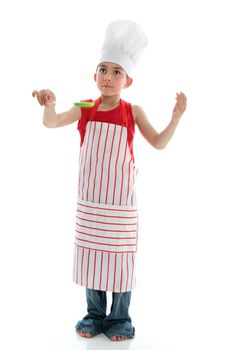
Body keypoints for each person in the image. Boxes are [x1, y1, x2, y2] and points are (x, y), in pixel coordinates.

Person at [32, 20, 187, 342]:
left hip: (121, 205)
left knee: (120, 262)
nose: (108, 77)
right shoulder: (86, 106)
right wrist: (49, 105)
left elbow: (158, 142)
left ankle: (120, 318)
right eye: (103, 69)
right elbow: (53, 123)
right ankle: (94, 314)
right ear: (94, 76)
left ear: (128, 81)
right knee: (92, 258)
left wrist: (175, 119)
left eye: (116, 72)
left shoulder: (134, 111)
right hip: (90, 202)